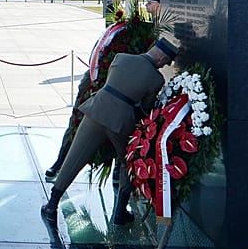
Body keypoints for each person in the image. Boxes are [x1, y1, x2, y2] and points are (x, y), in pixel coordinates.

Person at [41, 38, 176, 224]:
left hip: (97, 110)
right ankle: (120, 211)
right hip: (121, 123)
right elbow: (145, 108)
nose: (164, 65)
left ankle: (52, 204)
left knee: (75, 156)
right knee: (127, 163)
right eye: (166, 61)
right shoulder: (156, 79)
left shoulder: (121, 58)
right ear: (161, 57)